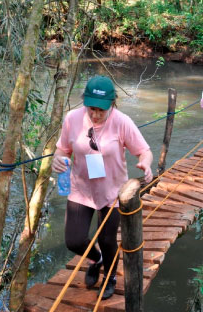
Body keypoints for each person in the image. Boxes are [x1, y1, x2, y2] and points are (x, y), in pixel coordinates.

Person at [52, 75, 153, 300]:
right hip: (81, 189)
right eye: (91, 109)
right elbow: (61, 150)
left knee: (107, 240)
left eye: (101, 110)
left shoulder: (122, 122)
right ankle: (95, 259)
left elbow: (144, 150)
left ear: (112, 105)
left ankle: (110, 277)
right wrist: (56, 160)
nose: (96, 114)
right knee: (74, 240)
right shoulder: (72, 119)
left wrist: (145, 163)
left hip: (112, 192)